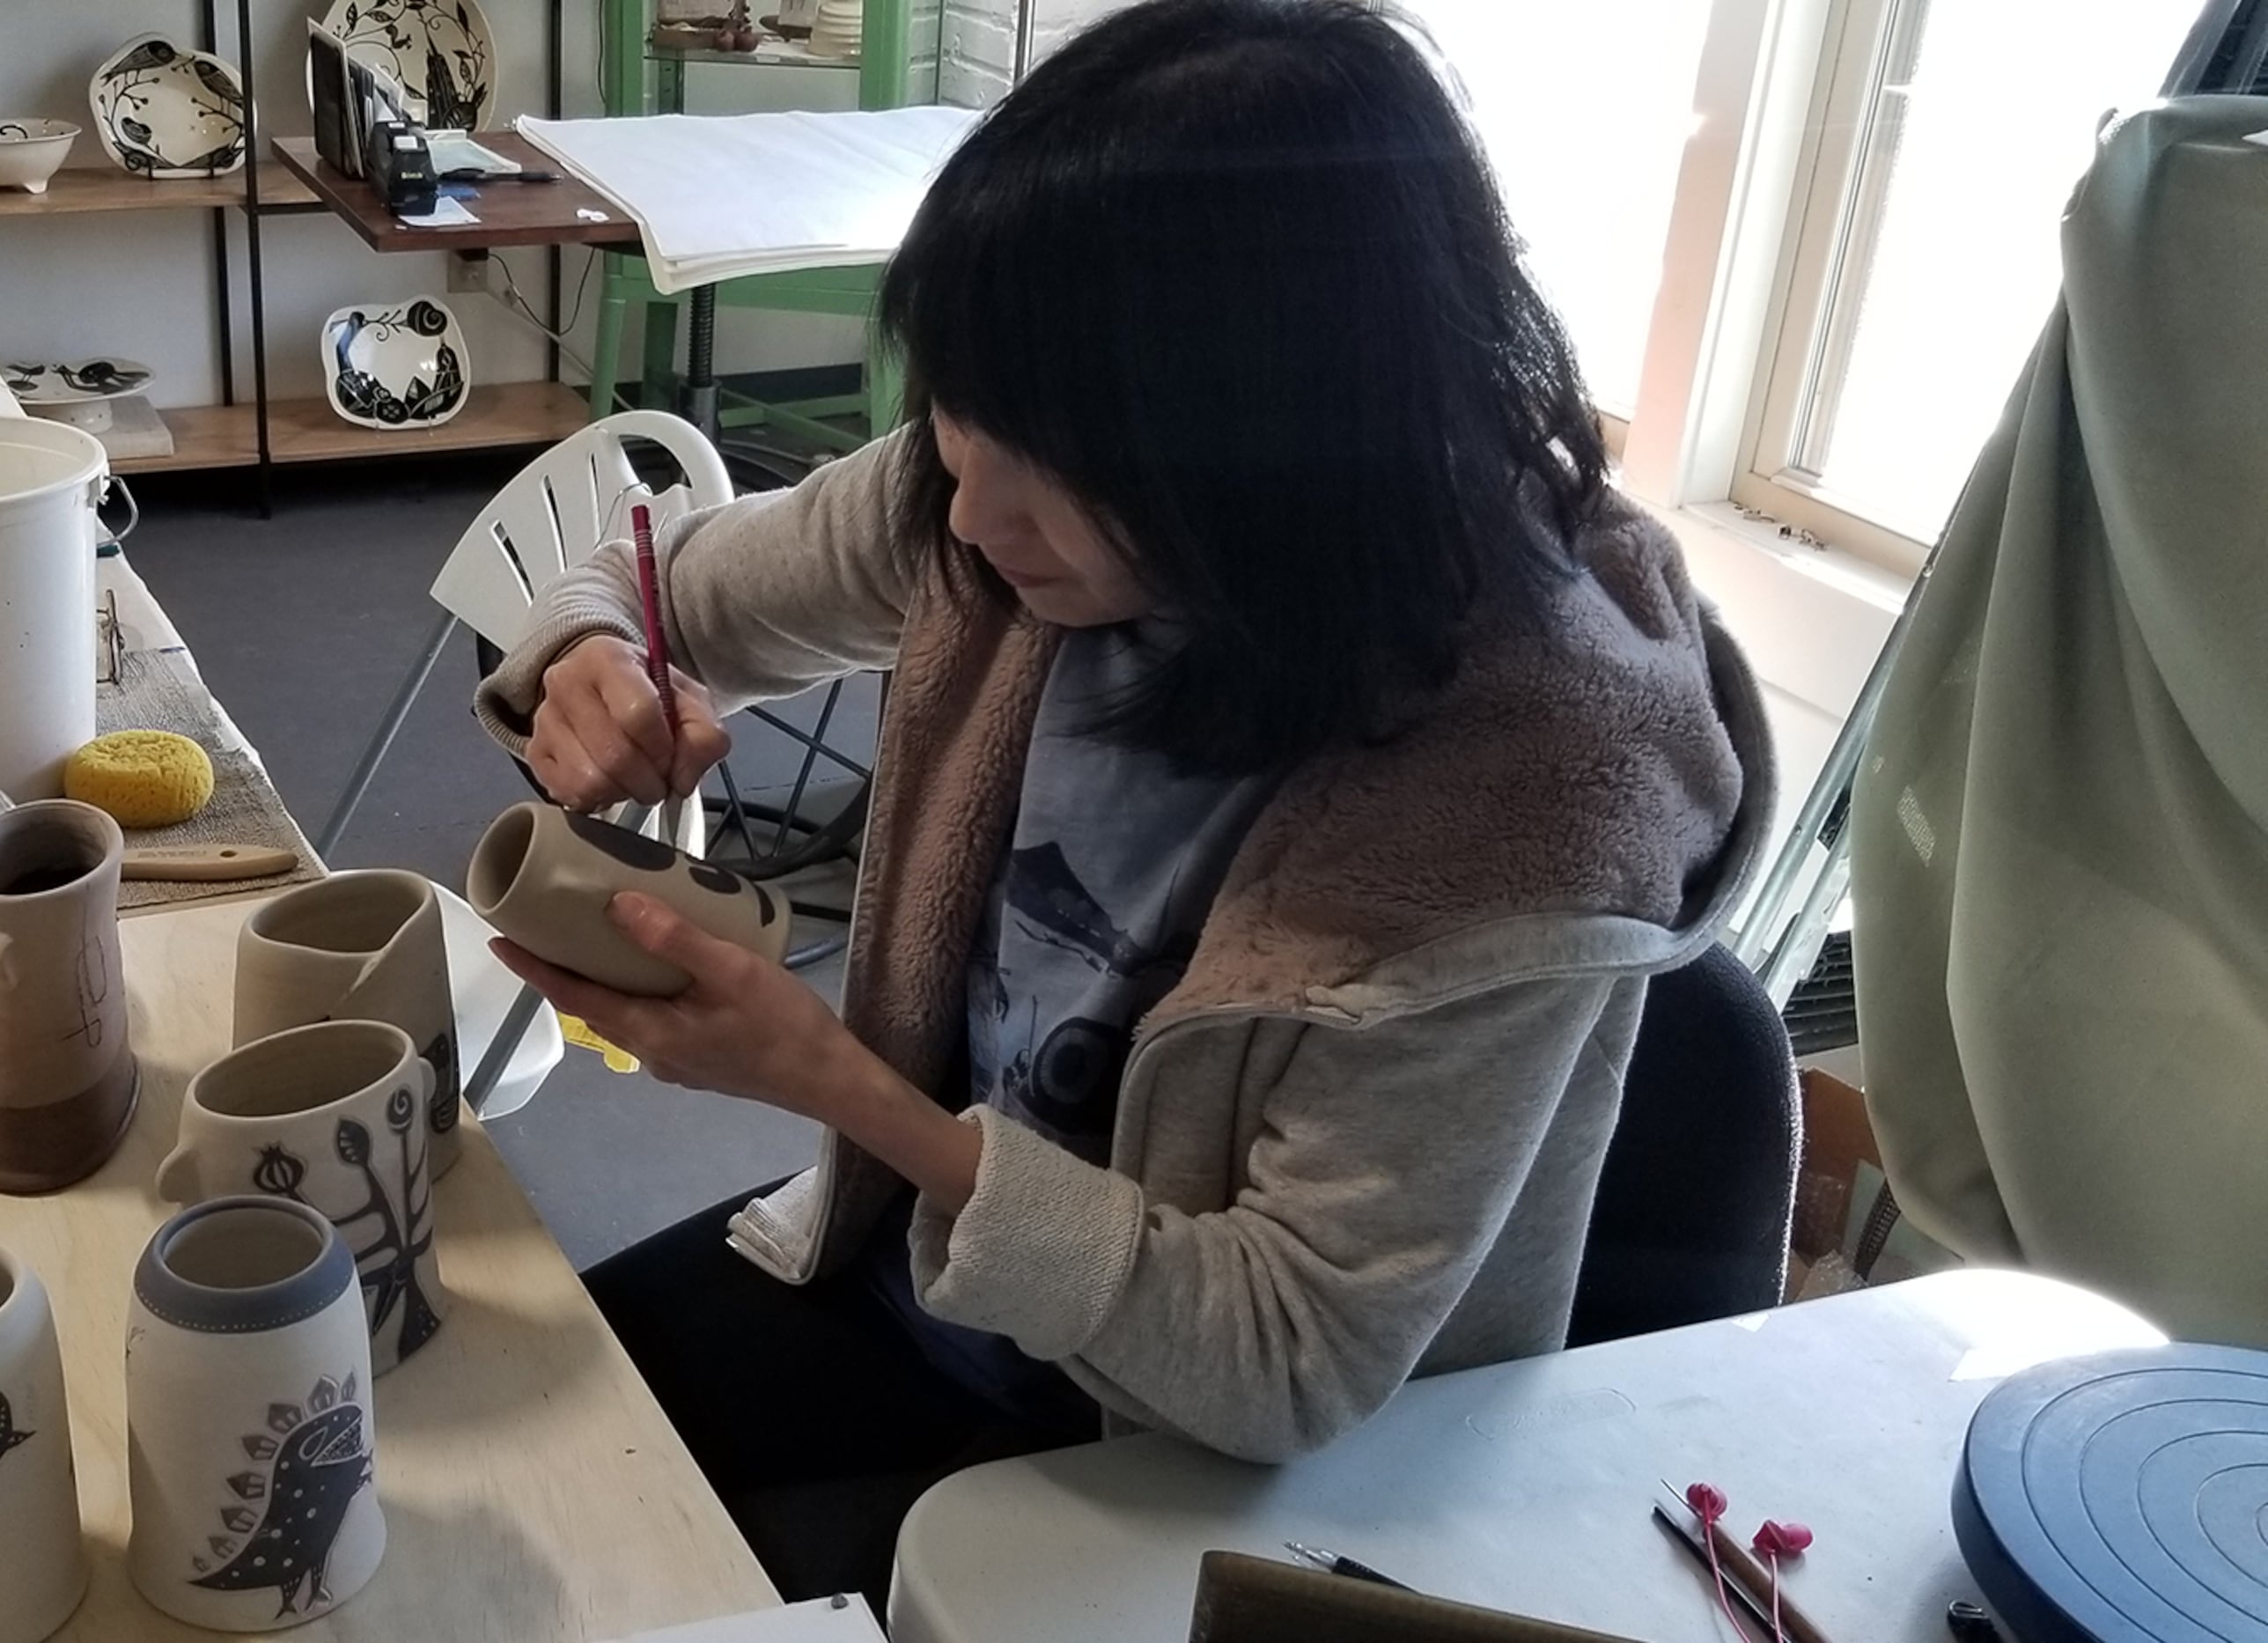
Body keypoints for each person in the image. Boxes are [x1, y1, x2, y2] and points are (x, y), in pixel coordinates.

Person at [474, 0, 1775, 1602]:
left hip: (1213, 1472)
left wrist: (841, 1088)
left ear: (1278, 443)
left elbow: (1286, 1360)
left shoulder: (1524, 801)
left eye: (1048, 453)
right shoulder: (989, 488)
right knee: (518, 1468)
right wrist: (595, 657)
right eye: (960, 413)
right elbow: (659, 581)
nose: (968, 510)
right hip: (923, 1262)